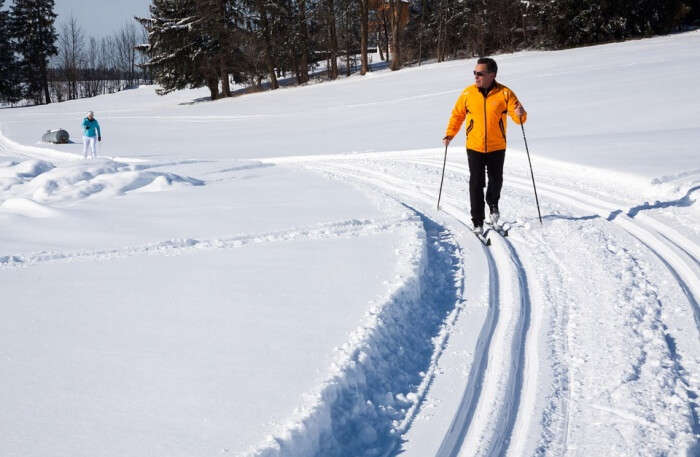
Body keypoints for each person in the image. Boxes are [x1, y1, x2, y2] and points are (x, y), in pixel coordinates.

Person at [443, 57, 527, 234]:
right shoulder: (468, 94)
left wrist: (520, 113)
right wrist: (450, 134)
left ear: (492, 75)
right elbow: (457, 115)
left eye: (479, 73)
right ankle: (477, 220)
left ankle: (493, 204)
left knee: (496, 180)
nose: (476, 76)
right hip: (475, 146)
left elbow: (518, 116)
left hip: (497, 146)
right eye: (474, 73)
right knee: (476, 182)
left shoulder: (505, 93)